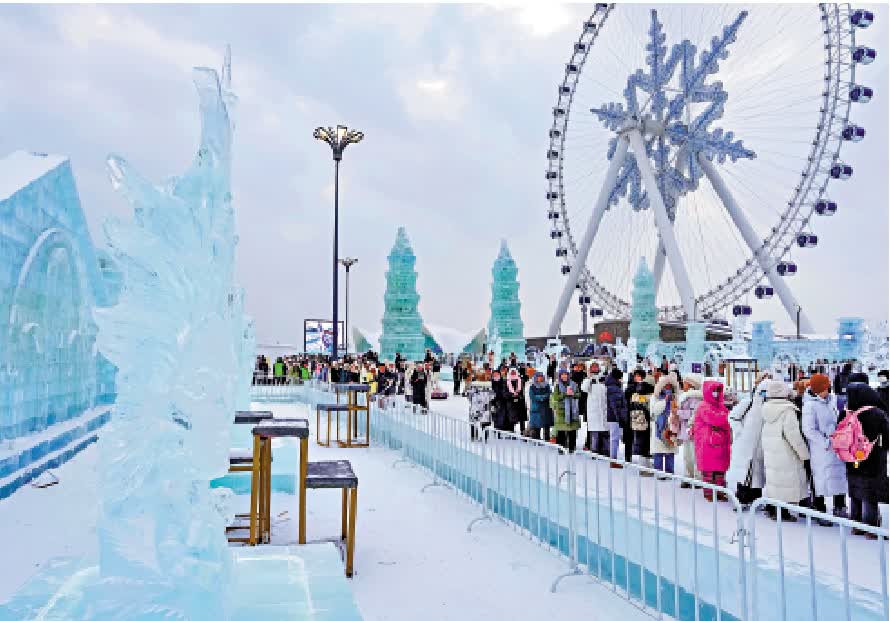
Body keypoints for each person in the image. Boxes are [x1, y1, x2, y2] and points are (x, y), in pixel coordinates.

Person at [841, 382, 888, 536]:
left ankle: (856, 524)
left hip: (851, 458)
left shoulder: (846, 412)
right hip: (873, 458)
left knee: (855, 490)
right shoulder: (877, 413)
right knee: (870, 492)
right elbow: (887, 437)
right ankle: (871, 528)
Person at [761, 381, 810, 521]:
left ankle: (774, 509)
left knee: (775, 481)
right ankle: (783, 513)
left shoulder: (766, 408)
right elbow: (793, 436)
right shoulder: (787, 410)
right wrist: (804, 454)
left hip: (772, 451)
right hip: (786, 452)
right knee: (786, 482)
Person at [801, 373, 848, 520]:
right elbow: (808, 430)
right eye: (824, 388)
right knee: (821, 479)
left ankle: (840, 506)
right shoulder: (810, 405)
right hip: (821, 450)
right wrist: (826, 442)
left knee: (839, 477)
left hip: (837, 447)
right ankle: (819, 509)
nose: (827, 390)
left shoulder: (832, 400)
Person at [725, 373, 769, 506]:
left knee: (757, 475)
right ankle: (742, 499)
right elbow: (732, 417)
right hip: (745, 445)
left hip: (760, 446)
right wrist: (740, 432)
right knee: (744, 473)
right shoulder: (748, 403)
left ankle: (754, 500)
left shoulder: (769, 407)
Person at [692, 380, 732, 502]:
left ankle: (719, 491)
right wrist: (725, 418)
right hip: (707, 444)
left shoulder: (721, 406)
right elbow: (716, 419)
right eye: (714, 390)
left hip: (720, 443)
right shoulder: (703, 406)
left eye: (718, 391)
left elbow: (728, 420)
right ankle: (709, 493)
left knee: (720, 469)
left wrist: (725, 419)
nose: (716, 393)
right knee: (709, 470)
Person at [650, 372, 681, 476]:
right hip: (658, 427)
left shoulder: (676, 397)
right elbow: (654, 411)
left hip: (672, 426)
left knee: (670, 450)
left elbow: (678, 409)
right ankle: (658, 472)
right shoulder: (655, 397)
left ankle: (669, 472)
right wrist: (665, 402)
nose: (668, 388)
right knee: (658, 451)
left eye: (669, 386)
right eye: (666, 386)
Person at [677, 373, 704, 487]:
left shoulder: (696, 398)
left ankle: (697, 478)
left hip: (693, 431)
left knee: (694, 455)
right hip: (686, 431)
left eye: (685, 383)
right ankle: (688, 476)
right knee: (687, 456)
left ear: (691, 384)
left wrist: (678, 412)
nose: (683, 384)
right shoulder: (685, 396)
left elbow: (693, 414)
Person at [628, 373, 655, 472]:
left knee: (641, 443)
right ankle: (644, 468)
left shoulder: (635, 395)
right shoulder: (650, 397)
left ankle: (643, 466)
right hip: (646, 422)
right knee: (646, 444)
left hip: (637, 422)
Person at [551, 369, 581, 452]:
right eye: (562, 374)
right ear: (560, 376)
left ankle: (572, 448)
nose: (564, 376)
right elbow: (555, 397)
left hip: (573, 410)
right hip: (562, 410)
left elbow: (579, 394)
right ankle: (561, 448)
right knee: (561, 431)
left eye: (566, 374)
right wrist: (564, 394)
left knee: (572, 431)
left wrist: (573, 394)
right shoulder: (558, 386)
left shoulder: (574, 384)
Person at [582, 369, 609, 456]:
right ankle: (594, 451)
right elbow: (584, 388)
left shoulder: (605, 383)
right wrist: (589, 377)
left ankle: (605, 451)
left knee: (605, 434)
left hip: (604, 412)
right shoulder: (590, 383)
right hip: (594, 412)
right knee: (595, 435)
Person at [605, 368, 628, 466]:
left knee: (614, 438)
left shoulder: (611, 386)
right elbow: (616, 405)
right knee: (614, 438)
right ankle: (613, 460)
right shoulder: (614, 389)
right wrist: (620, 418)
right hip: (614, 417)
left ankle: (613, 459)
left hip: (612, 416)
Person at [527, 371, 553, 441]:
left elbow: (549, 394)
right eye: (538, 377)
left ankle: (547, 439)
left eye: (541, 377)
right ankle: (536, 440)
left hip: (546, 408)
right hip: (536, 408)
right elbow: (532, 396)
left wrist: (542, 397)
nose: (540, 378)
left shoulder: (547, 386)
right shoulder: (532, 386)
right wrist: (541, 397)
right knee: (536, 426)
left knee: (546, 425)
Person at [504, 367, 527, 434]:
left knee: (521, 418)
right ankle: (511, 431)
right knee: (512, 417)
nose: (513, 373)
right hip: (511, 402)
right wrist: (511, 395)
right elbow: (504, 392)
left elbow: (524, 391)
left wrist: (519, 396)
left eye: (514, 372)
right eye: (512, 372)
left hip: (520, 401)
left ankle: (522, 431)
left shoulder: (521, 380)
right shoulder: (506, 381)